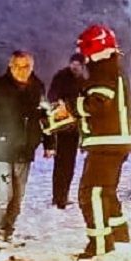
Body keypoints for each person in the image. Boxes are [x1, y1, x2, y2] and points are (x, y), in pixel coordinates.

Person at [0, 51, 54, 250]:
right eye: (16, 66)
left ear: (32, 67)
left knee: (17, 197)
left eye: (25, 67)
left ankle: (8, 232)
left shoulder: (37, 88)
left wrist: (50, 143)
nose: (21, 71)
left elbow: (45, 117)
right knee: (3, 194)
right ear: (10, 66)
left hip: (24, 150)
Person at [74, 25, 131, 259]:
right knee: (106, 192)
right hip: (114, 142)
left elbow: (99, 103)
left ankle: (100, 245)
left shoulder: (103, 70)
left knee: (93, 193)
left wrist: (72, 107)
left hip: (106, 143)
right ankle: (119, 236)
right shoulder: (113, 68)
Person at [47, 54, 88, 210]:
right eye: (73, 63)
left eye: (78, 64)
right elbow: (53, 95)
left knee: (69, 163)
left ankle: (63, 194)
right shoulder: (61, 77)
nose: (75, 67)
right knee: (61, 162)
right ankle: (59, 196)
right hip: (63, 125)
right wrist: (61, 105)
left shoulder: (83, 80)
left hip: (75, 126)